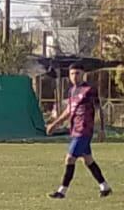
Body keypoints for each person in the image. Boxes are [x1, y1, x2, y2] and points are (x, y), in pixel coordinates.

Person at [47, 63, 112, 198]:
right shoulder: (72, 91)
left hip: (84, 130)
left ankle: (61, 191)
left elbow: (99, 109)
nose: (74, 76)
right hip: (75, 129)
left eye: (77, 73)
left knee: (70, 158)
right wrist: (55, 123)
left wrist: (101, 129)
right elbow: (69, 110)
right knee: (88, 160)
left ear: (83, 74)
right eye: (72, 74)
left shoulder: (90, 90)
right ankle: (105, 187)